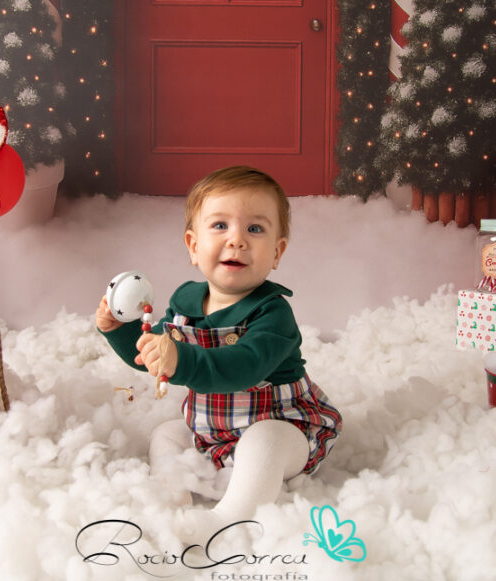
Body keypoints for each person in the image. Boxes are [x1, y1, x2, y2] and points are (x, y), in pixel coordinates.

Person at [96, 165, 342, 535]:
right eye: (220, 225)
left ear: (277, 252)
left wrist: (181, 358)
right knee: (166, 433)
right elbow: (155, 357)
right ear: (194, 246)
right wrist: (121, 330)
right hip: (214, 430)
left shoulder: (273, 314)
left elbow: (241, 367)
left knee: (264, 441)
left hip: (285, 426)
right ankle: (171, 497)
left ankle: (228, 521)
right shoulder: (185, 303)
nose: (237, 240)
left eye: (254, 229)